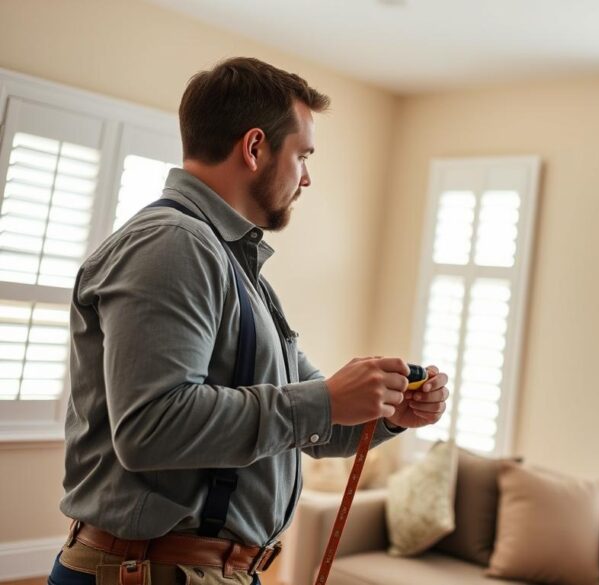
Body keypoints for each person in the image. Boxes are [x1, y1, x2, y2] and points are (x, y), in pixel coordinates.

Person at [47, 57, 450, 585]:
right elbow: (151, 427)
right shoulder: (172, 244)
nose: (307, 177)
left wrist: (389, 412)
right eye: (302, 155)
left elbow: (312, 427)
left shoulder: (237, 268)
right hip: (152, 572)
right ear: (255, 147)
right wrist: (326, 399)